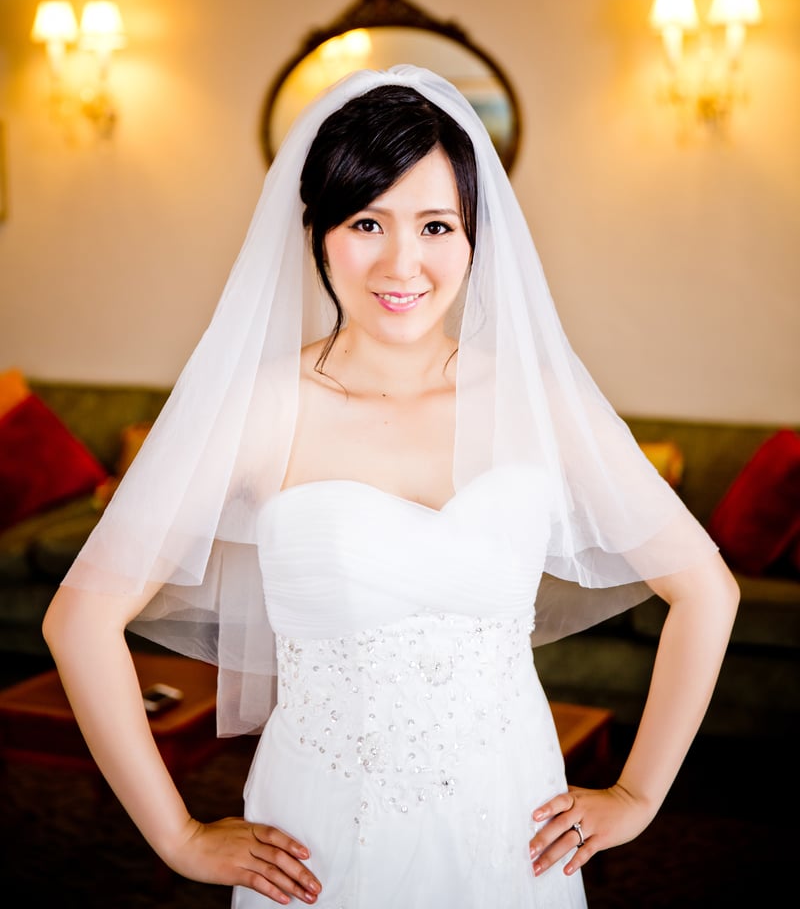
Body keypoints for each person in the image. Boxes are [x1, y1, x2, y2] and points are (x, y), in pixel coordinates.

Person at [43, 66, 739, 907]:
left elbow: (708, 590)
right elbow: (80, 620)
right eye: (366, 222)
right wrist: (178, 836)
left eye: (437, 225)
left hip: (510, 827)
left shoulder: (535, 403)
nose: (402, 263)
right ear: (319, 233)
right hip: (324, 838)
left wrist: (638, 794)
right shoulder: (259, 408)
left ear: (474, 237)